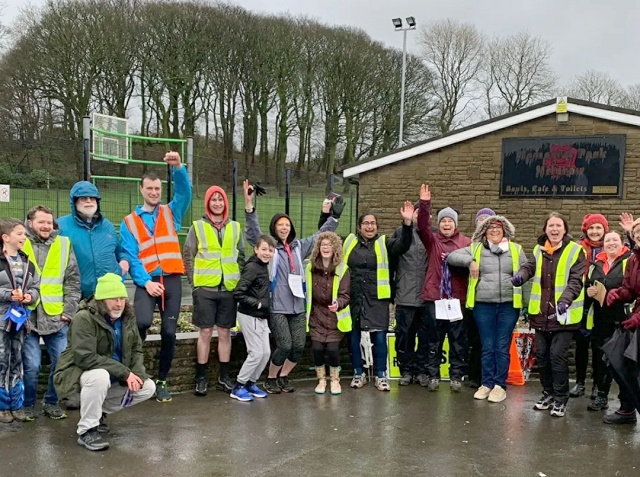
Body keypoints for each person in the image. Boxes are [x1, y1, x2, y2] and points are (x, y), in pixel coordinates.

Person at [243, 180, 339, 394]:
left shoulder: (299, 247)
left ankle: (283, 376)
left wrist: (333, 218)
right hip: (277, 305)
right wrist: (249, 207)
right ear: (274, 229)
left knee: (297, 346)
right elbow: (253, 234)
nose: (284, 227)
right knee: (284, 344)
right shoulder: (269, 248)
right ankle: (270, 378)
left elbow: (320, 236)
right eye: (280, 225)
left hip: (297, 306)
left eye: (287, 224)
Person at [120, 151, 192, 403]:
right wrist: (146, 282)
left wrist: (179, 168)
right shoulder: (128, 222)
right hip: (147, 281)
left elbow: (185, 194)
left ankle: (162, 380)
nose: (154, 192)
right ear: (141, 190)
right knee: (140, 324)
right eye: (149, 188)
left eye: (157, 188)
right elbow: (131, 255)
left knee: (170, 333)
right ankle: (136, 373)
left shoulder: (171, 212)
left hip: (171, 280)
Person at [53, 273, 155, 451]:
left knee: (148, 387)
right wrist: (125, 373)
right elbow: (85, 357)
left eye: (122, 298)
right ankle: (87, 430)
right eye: (113, 299)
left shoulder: (127, 317)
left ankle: (97, 413)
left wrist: (136, 374)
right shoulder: (84, 318)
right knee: (100, 377)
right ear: (101, 300)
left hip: (113, 376)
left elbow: (137, 349)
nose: (119, 304)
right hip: (76, 376)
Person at [512, 212, 585, 418]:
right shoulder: (539, 249)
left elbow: (576, 280)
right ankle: (548, 394)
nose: (554, 229)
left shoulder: (576, 251)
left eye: (558, 226)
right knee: (542, 357)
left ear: (565, 229)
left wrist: (565, 300)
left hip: (564, 316)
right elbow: (529, 267)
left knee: (557, 357)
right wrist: (521, 276)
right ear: (545, 229)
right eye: (551, 226)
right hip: (541, 314)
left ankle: (560, 399)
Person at [447, 215, 527, 402]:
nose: (494, 231)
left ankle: (500, 385)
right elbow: (452, 256)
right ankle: (486, 383)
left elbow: (527, 273)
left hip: (509, 305)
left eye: (498, 228)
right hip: (483, 305)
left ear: (505, 231)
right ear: (484, 232)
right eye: (490, 228)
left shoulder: (516, 249)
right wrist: (470, 262)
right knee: (487, 346)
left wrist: (527, 304)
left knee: (501, 346)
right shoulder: (475, 249)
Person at [344, 204, 414, 391]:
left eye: (373, 223)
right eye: (366, 223)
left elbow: (403, 245)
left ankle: (381, 375)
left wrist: (407, 223)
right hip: (354, 296)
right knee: (354, 336)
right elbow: (326, 242)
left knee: (380, 337)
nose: (369, 227)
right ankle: (358, 373)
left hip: (378, 297)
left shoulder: (385, 242)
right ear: (359, 227)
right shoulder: (348, 242)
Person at [184, 185, 245, 396]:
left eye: (221, 199)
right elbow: (188, 256)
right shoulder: (197, 227)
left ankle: (224, 377)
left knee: (225, 332)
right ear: (208, 203)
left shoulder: (235, 227)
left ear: (225, 204)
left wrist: (239, 283)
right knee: (205, 332)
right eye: (213, 199)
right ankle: (201, 378)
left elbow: (242, 257)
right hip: (205, 289)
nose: (217, 203)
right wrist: (195, 285)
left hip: (228, 289)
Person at [22, 206, 81, 420]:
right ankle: (27, 405)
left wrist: (69, 311)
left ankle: (51, 402)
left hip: (57, 317)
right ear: (30, 223)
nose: (46, 226)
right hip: (27, 317)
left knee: (62, 363)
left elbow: (73, 282)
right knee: (31, 365)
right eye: (41, 222)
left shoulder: (64, 244)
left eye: (49, 222)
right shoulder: (20, 242)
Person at [417, 185, 472, 392]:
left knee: (458, 340)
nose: (446, 224)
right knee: (434, 340)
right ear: (438, 224)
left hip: (457, 299)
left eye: (450, 221)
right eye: (443, 221)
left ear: (455, 223)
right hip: (435, 298)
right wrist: (424, 204)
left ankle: (456, 375)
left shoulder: (466, 242)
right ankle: (433, 375)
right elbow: (422, 226)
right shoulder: (432, 241)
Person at [58, 181, 129, 299]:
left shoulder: (107, 226)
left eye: (92, 198)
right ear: (74, 202)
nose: (89, 201)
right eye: (83, 198)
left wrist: (124, 262)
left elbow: (119, 251)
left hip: (109, 295)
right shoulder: (61, 226)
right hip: (76, 296)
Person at [583, 230, 630, 412]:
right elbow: (588, 286)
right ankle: (601, 396)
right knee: (600, 358)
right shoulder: (596, 264)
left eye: (615, 240)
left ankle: (626, 402)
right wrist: (589, 292)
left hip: (623, 319)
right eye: (608, 240)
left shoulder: (629, 260)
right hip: (600, 319)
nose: (611, 243)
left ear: (622, 242)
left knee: (623, 362)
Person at [0, 218, 40, 423]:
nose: (24, 237)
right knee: (1, 361)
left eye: (24, 234)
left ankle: (16, 405)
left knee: (17, 361)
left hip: (19, 321)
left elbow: (36, 288)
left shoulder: (27, 263)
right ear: (5, 237)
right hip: (1, 321)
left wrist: (29, 296)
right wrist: (8, 294)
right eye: (19, 234)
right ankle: (2, 407)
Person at [601, 218, 640, 424]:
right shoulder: (633, 260)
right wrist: (617, 293)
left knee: (635, 366)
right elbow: (630, 289)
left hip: (638, 319)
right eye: (637, 232)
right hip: (634, 319)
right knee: (615, 358)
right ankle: (627, 408)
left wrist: (638, 318)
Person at [230, 235, 276, 402]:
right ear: (256, 249)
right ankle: (239, 386)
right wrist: (257, 304)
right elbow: (238, 293)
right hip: (250, 315)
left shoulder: (264, 267)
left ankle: (251, 382)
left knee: (265, 353)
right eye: (264, 249)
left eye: (270, 250)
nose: (267, 253)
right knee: (256, 353)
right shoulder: (253, 268)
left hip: (261, 317)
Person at [306, 232, 351, 395]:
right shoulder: (310, 268)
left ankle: (335, 380)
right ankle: (321, 380)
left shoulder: (342, 268)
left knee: (332, 349)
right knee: (317, 348)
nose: (325, 247)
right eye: (322, 244)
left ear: (335, 248)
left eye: (329, 244)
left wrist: (338, 303)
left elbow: (345, 295)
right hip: (316, 315)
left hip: (334, 317)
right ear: (318, 248)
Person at [391, 202, 429, 387]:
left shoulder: (432, 234)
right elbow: (396, 250)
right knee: (404, 336)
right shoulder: (400, 232)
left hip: (427, 296)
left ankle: (421, 371)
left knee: (425, 337)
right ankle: (406, 370)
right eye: (416, 213)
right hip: (405, 294)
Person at [572, 213, 609, 399]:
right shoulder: (578, 248)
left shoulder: (610, 248)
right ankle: (579, 383)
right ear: (586, 229)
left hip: (602, 302)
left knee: (598, 346)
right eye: (592, 228)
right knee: (581, 344)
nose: (595, 232)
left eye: (599, 228)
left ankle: (596, 384)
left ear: (604, 230)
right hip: (581, 301)